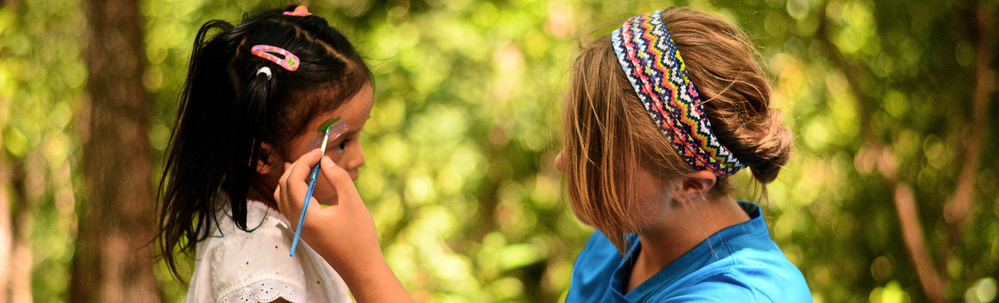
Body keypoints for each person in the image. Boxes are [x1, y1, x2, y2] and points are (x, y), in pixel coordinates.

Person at [275, 7, 811, 302]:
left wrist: (364, 267)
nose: (562, 165)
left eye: (593, 156)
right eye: (571, 142)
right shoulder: (621, 240)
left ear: (693, 183)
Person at [155, 5, 375, 303]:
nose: (359, 158)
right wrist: (364, 264)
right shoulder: (266, 272)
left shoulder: (258, 221)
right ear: (261, 157)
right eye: (341, 142)